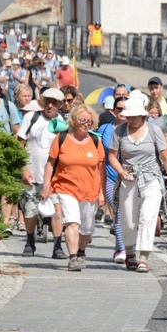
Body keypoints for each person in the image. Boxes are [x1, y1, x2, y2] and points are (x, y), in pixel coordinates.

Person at [108, 97, 167, 273]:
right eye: (128, 116)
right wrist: (121, 172)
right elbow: (111, 156)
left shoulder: (154, 130)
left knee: (148, 217)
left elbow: (165, 157)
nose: (131, 120)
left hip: (151, 177)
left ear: (143, 116)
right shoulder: (119, 131)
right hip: (128, 177)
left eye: (135, 116)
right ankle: (130, 252)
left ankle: (144, 257)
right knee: (128, 220)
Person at [41, 105, 106, 271]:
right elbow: (50, 164)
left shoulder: (95, 141)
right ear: (74, 120)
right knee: (72, 221)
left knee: (87, 227)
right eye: (82, 120)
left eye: (88, 121)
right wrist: (46, 186)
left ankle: (81, 251)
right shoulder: (61, 138)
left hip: (89, 190)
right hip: (65, 187)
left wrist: (101, 193)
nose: (85, 123)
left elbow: (100, 169)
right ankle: (72, 258)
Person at [16, 88, 66, 258]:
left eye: (54, 102)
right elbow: (19, 144)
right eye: (47, 101)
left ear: (60, 104)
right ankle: (30, 243)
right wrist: (23, 168)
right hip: (32, 175)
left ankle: (58, 246)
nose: (50, 105)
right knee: (30, 211)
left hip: (55, 178)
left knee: (57, 211)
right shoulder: (32, 117)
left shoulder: (63, 122)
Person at [98, 96, 128, 262]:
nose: (122, 112)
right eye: (119, 109)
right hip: (110, 177)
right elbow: (99, 155)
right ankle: (123, 250)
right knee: (117, 212)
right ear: (114, 111)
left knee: (127, 215)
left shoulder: (133, 129)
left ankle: (119, 247)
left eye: (125, 109)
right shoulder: (105, 128)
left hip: (130, 178)